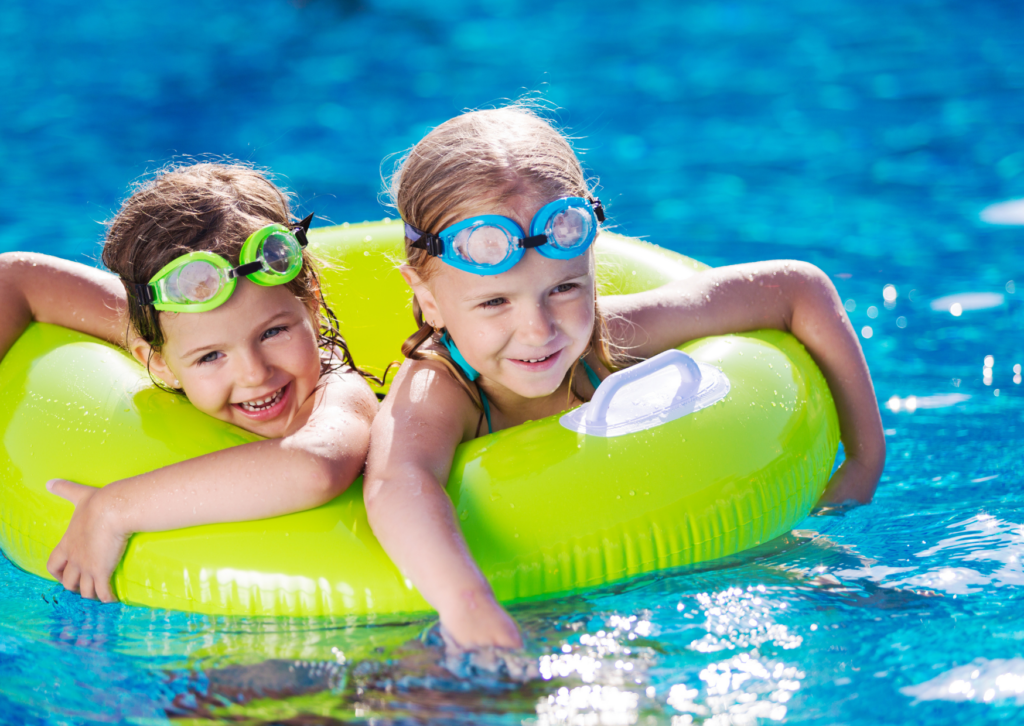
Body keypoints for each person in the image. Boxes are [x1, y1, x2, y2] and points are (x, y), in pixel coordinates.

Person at [363, 105, 886, 651]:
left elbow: (798, 290)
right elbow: (397, 480)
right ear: (429, 301)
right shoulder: (440, 386)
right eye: (495, 301)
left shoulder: (608, 338)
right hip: (507, 596)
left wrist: (864, 460)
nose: (539, 331)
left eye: (564, 289)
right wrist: (468, 605)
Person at [0, 162, 379, 603]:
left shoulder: (336, 391)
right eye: (211, 356)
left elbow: (314, 467)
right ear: (157, 364)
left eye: (274, 332)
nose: (254, 373)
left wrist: (112, 510)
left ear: (311, 304)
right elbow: (18, 278)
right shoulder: (176, 323)